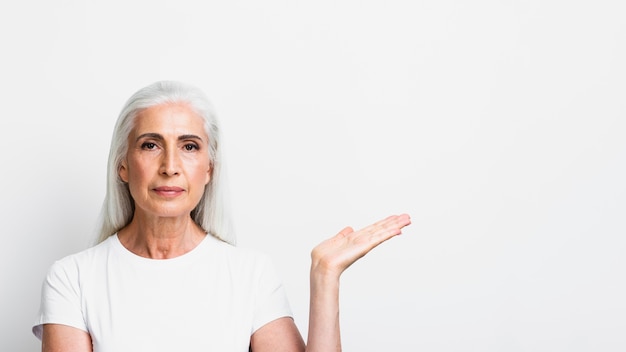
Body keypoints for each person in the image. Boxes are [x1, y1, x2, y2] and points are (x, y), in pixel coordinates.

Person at [33, 80, 411, 351]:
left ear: (209, 168)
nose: (170, 166)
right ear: (123, 165)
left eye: (189, 147)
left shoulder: (250, 275)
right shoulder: (72, 279)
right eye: (150, 145)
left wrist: (325, 277)